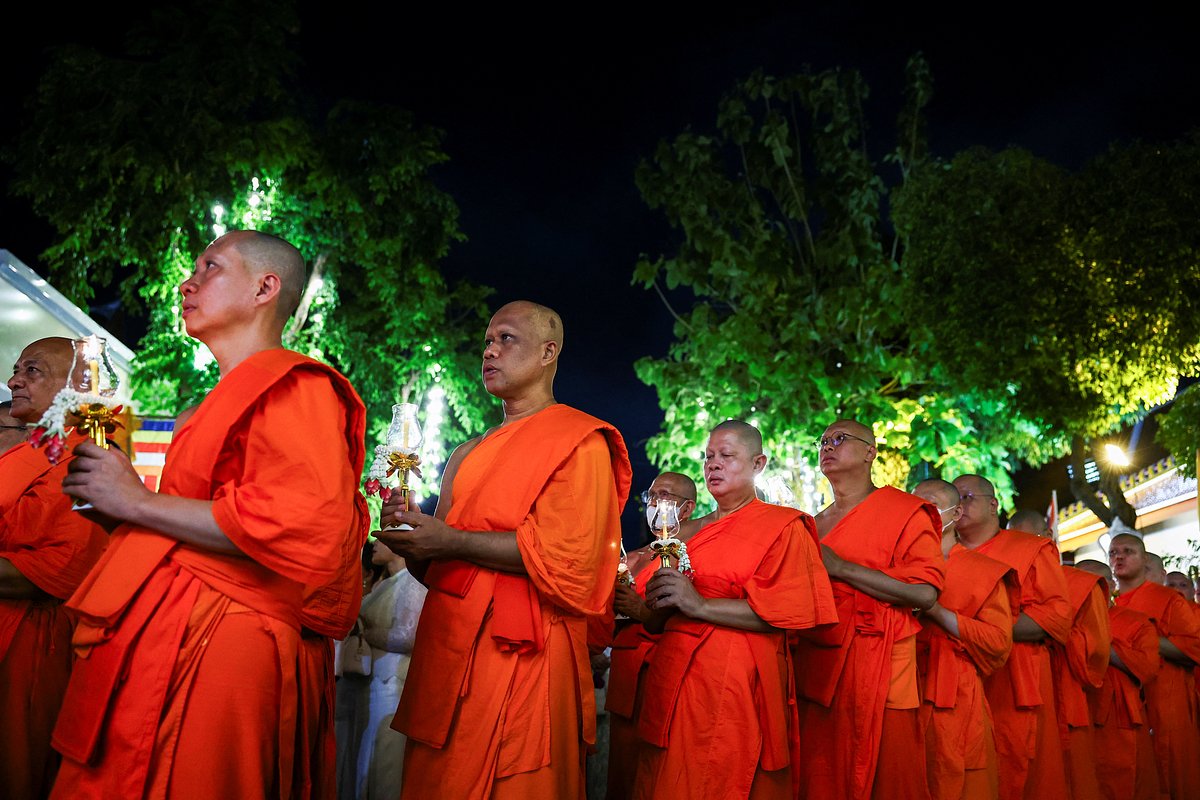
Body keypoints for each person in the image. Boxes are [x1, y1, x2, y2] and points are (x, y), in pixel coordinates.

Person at [48, 230, 368, 798]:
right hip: (165, 622)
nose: (187, 283)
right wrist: (120, 511)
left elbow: (297, 523)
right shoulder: (205, 405)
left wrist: (138, 502)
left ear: (265, 289)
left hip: (227, 635)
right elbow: (198, 520)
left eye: (210, 268)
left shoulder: (298, 386)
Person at [377, 300, 632, 799]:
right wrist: (413, 537)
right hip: (448, 648)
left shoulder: (579, 440)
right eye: (487, 342)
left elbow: (572, 561)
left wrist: (450, 539)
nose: (489, 351)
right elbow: (439, 564)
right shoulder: (466, 453)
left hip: (524, 649)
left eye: (506, 339)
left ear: (548, 352)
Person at [632, 421, 836, 798]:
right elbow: (657, 614)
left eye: (726, 455)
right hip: (674, 674)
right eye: (709, 456)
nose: (714, 464)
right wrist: (655, 601)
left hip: (734, 677)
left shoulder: (782, 526)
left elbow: (786, 612)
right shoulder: (684, 532)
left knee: (722, 776)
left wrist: (700, 604)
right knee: (667, 777)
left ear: (758, 463)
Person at [795, 420, 946, 800]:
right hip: (821, 663)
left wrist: (843, 569)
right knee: (823, 774)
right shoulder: (813, 524)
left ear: (870, 452)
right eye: (823, 441)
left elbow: (925, 593)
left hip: (883, 664)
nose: (828, 446)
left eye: (839, 439)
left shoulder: (904, 511)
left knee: (889, 775)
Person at [1, 338, 109, 800]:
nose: (13, 381)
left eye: (32, 371)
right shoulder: (37, 448)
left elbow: (59, 569)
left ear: (77, 385)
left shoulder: (89, 457)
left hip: (33, 643)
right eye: (16, 370)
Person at [952, 474, 1072, 800]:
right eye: (954, 499)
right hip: (953, 672)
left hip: (1015, 676)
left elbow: (1055, 616)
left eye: (967, 497)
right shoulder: (942, 553)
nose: (959, 505)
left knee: (1018, 767)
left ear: (993, 505)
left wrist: (982, 628)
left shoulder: (1029, 549)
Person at [605, 471, 706, 799]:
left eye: (664, 496)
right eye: (651, 496)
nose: (654, 503)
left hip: (664, 669)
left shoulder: (690, 552)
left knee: (658, 769)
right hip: (624, 670)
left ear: (687, 508)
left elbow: (687, 615)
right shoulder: (631, 557)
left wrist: (641, 611)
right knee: (622, 767)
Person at [912, 478, 1015, 800]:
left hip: (954, 690)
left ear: (955, 514)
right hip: (903, 685)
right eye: (915, 506)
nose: (921, 513)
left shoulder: (982, 570)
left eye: (931, 505)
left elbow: (998, 642)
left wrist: (937, 612)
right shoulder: (896, 564)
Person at [1109, 532, 1200, 799]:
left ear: (1144, 560)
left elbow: (1194, 649)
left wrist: (1142, 640)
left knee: (1171, 778)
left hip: (1165, 702)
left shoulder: (1167, 599)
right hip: (1121, 708)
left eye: (1128, 551)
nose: (1119, 557)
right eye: (1113, 553)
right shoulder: (1108, 602)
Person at [1073, 559, 1161, 800]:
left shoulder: (1136, 621)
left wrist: (1100, 646)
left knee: (1123, 781)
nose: (1086, 588)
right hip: (1077, 711)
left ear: (1111, 586)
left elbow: (1148, 667)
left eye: (1096, 583)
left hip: (1118, 719)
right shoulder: (1066, 619)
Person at [355, 537, 426, 800]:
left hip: (393, 685)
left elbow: (407, 637)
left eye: (384, 537)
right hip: (371, 682)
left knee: (386, 762)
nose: (375, 542)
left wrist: (366, 634)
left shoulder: (412, 582)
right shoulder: (384, 582)